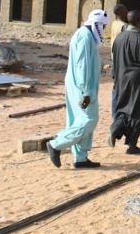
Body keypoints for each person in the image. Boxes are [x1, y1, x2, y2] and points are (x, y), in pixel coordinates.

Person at [47, 9, 110, 169]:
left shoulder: (87, 36)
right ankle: (56, 143)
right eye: (103, 26)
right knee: (89, 119)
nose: (104, 30)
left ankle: (80, 158)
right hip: (82, 86)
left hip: (84, 86)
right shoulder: (84, 36)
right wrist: (86, 92)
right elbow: (82, 65)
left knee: (79, 120)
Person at [108, 10, 140, 154]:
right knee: (137, 110)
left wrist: (115, 79)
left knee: (123, 107)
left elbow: (115, 61)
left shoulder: (119, 38)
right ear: (139, 21)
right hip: (138, 80)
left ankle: (116, 128)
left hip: (121, 78)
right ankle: (131, 144)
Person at [109, 4, 128, 116]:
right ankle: (116, 113)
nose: (127, 11)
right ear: (120, 12)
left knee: (116, 85)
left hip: (114, 57)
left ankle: (116, 113)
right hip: (121, 59)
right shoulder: (123, 26)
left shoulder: (114, 23)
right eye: (125, 10)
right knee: (119, 87)